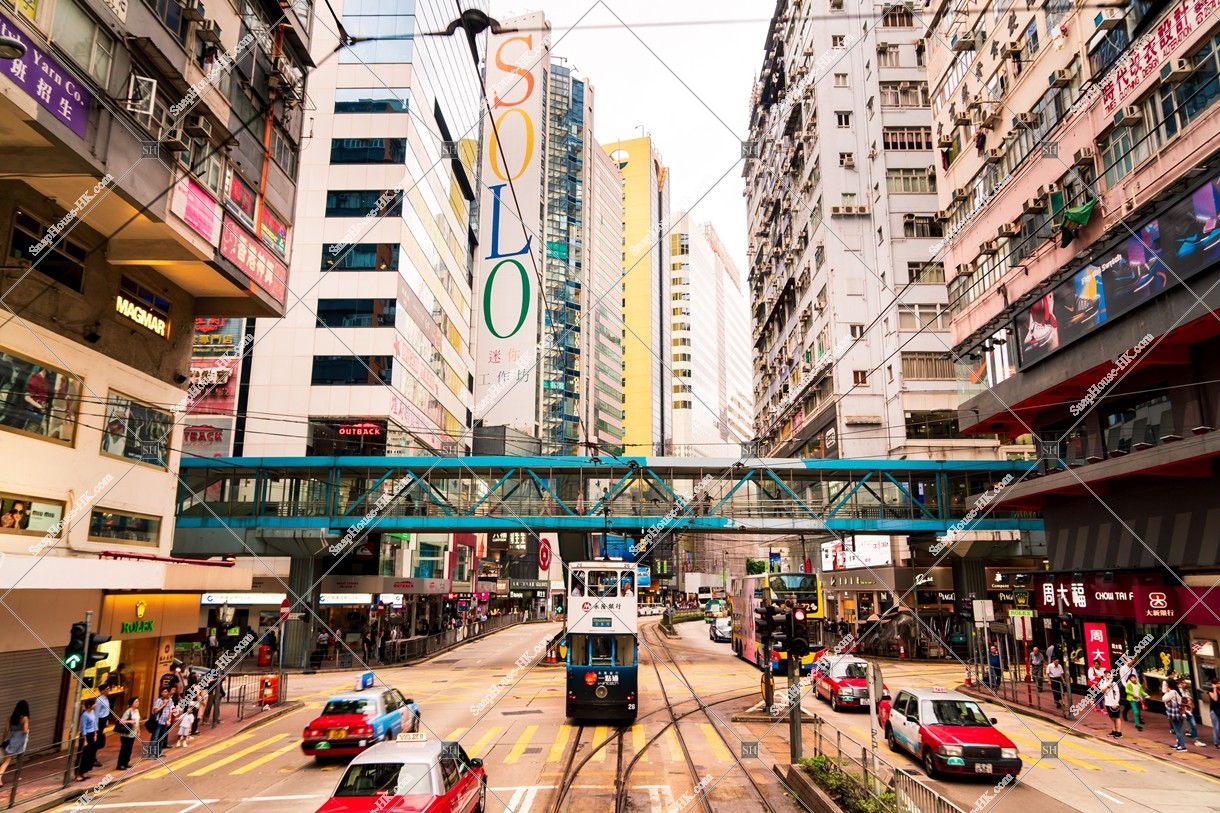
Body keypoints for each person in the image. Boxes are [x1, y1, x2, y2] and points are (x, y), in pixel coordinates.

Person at [0, 700, 30, 786]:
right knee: (19, 759)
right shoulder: (25, 718)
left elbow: (6, 731)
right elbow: (25, 730)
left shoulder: (10, 718)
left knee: (6, 761)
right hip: (19, 742)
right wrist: (27, 730)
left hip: (10, 741)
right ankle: (16, 777)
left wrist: (3, 741)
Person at [75, 698, 98, 781]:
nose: (95, 705)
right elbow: (83, 728)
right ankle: (78, 774)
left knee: (90, 754)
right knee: (83, 755)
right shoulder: (84, 715)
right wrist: (85, 740)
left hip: (92, 735)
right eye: (94, 704)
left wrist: (95, 734)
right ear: (89, 705)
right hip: (86, 736)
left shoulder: (92, 712)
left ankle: (84, 772)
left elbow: (95, 723)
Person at [114, 698, 139, 770]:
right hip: (126, 734)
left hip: (133, 733)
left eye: (138, 701)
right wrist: (130, 721)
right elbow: (121, 722)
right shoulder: (128, 711)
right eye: (136, 701)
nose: (138, 703)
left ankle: (126, 762)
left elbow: (137, 721)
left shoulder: (137, 711)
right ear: (132, 703)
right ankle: (120, 764)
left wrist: (138, 730)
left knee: (129, 749)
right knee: (124, 748)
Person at [1164, 678, 1187, 752]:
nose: (1165, 686)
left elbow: (1164, 699)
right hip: (1179, 712)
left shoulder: (1172, 692)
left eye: (1166, 684)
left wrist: (1166, 692)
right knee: (1178, 729)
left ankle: (1183, 746)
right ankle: (1179, 744)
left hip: (1175, 713)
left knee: (1178, 730)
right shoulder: (1176, 691)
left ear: (1169, 685)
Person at [150, 688, 173, 758]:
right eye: (163, 692)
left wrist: (169, 719)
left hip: (165, 722)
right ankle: (152, 753)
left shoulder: (170, 700)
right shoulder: (159, 701)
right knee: (155, 738)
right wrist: (163, 704)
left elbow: (170, 710)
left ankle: (159, 752)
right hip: (158, 722)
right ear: (161, 693)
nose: (164, 693)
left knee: (162, 738)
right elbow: (155, 711)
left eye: (166, 692)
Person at [92, 685, 111, 768]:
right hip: (99, 722)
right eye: (107, 689)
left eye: (109, 688)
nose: (109, 690)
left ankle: (92, 757)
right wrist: (96, 727)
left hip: (103, 721)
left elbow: (106, 710)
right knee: (96, 741)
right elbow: (96, 713)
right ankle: (92, 759)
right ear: (102, 691)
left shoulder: (106, 699)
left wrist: (107, 721)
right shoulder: (99, 700)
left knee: (99, 741)